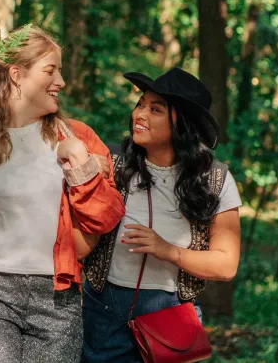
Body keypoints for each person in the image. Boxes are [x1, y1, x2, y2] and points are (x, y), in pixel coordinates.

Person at [0, 24, 125, 363]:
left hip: (58, 299)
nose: (60, 81)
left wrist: (79, 163)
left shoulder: (78, 137)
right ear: (17, 74)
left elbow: (104, 218)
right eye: (50, 70)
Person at [82, 67, 242, 363]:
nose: (139, 115)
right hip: (104, 309)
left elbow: (226, 264)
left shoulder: (214, 180)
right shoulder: (111, 163)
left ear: (182, 124)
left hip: (171, 314)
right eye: (140, 104)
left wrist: (167, 250)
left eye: (155, 109)